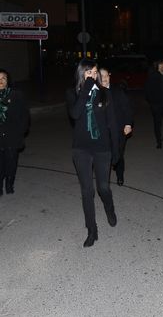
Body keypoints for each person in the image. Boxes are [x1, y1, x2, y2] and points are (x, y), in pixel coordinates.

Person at [65, 60, 120, 247]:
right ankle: (92, 230)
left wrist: (116, 150)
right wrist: (87, 88)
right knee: (87, 191)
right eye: (89, 72)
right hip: (81, 149)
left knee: (103, 188)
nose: (93, 75)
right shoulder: (72, 94)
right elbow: (75, 114)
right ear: (82, 74)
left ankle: (109, 208)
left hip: (102, 148)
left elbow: (112, 124)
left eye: (95, 72)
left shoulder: (105, 94)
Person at [100, 68, 133, 186]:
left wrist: (128, 124)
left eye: (106, 76)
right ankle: (104, 180)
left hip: (119, 129)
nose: (104, 78)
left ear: (109, 76)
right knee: (105, 155)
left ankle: (120, 175)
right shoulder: (95, 92)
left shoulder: (117, 91)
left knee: (118, 154)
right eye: (101, 76)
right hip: (103, 131)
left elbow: (127, 108)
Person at [0, 69, 29, 196]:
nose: (0, 81)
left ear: (8, 81)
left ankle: (9, 183)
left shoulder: (16, 95)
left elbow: (24, 115)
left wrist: (21, 131)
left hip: (12, 135)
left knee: (11, 162)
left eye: (3, 78)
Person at [144, 59, 163, 149]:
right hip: (156, 105)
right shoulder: (152, 76)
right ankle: (159, 141)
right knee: (157, 123)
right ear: (160, 66)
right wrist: (152, 103)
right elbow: (147, 91)